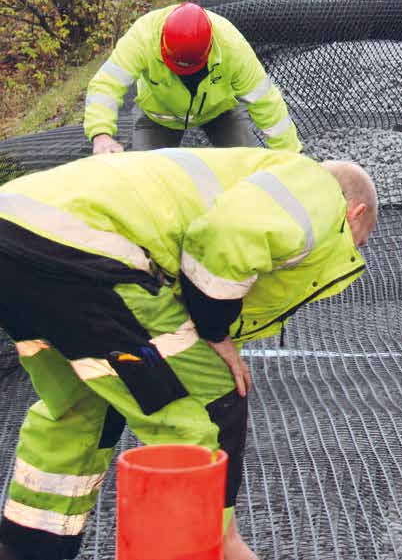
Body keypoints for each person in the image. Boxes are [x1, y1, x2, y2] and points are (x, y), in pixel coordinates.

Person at [0, 148, 377, 560]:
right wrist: (215, 331)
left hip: (17, 238)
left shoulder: (251, 171)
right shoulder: (316, 191)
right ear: (355, 212)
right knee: (211, 400)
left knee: (83, 408)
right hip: (85, 251)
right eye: (359, 241)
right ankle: (213, 546)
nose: (354, 249)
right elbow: (229, 234)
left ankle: (27, 549)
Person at [84, 3, 301, 154]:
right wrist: (101, 134)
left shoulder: (231, 46)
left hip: (220, 112)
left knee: (245, 168)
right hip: (158, 117)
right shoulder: (143, 36)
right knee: (148, 182)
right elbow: (106, 85)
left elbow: (266, 103)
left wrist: (291, 157)